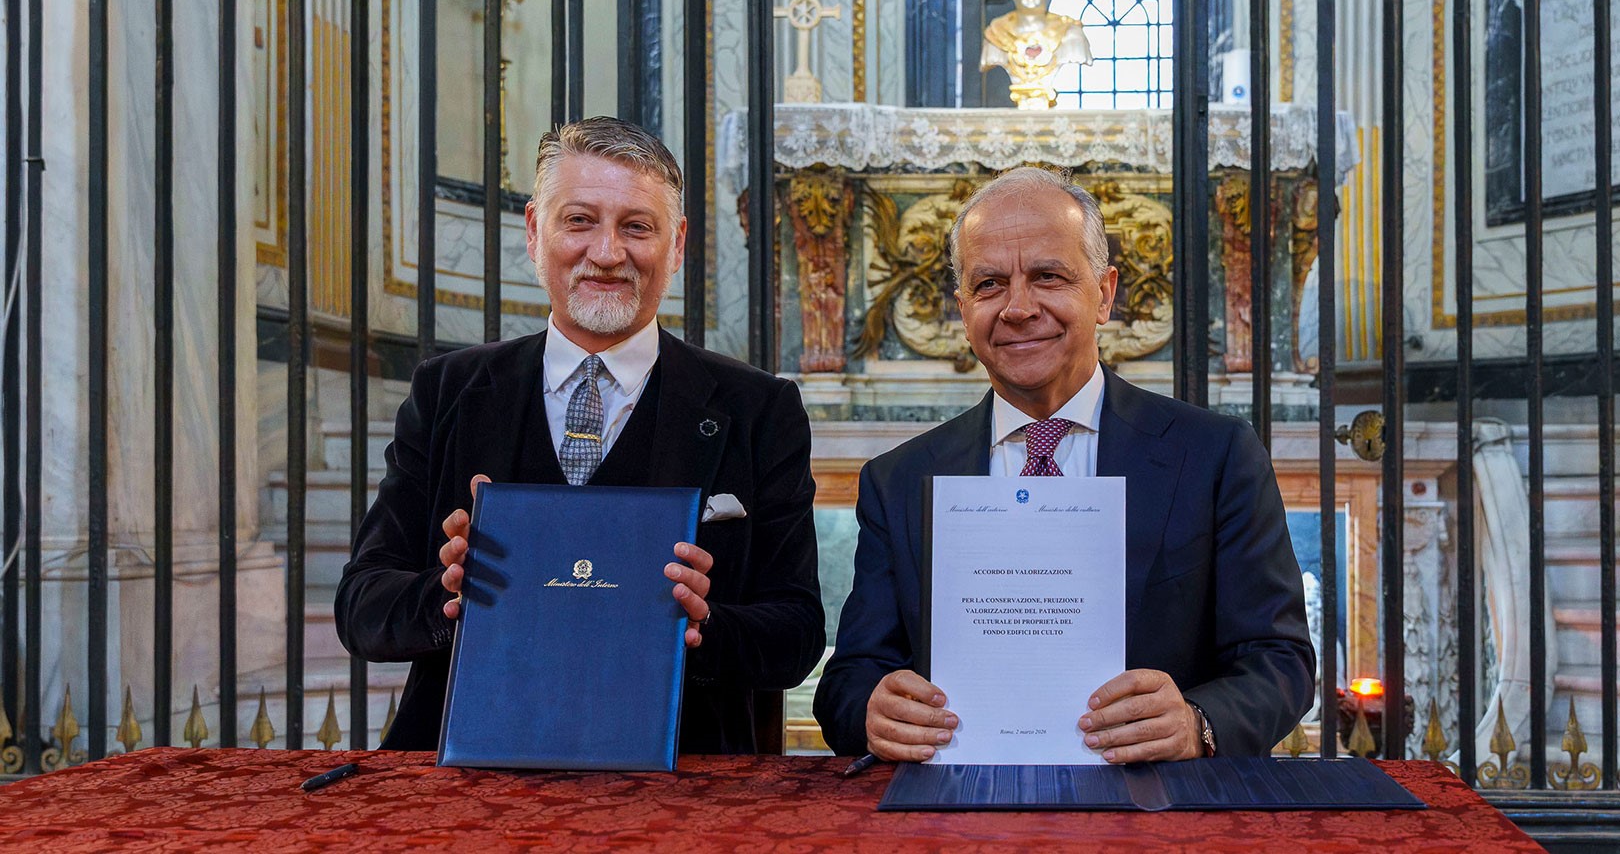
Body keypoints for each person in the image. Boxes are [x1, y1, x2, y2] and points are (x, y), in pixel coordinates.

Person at [337, 116, 824, 753]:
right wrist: (445, 595)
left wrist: (705, 626)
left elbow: (797, 633)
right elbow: (361, 607)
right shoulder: (447, 392)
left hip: (683, 771)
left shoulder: (760, 409)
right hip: (465, 773)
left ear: (676, 244)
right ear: (534, 231)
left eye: (637, 226)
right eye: (579, 221)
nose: (608, 253)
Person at [812, 167, 1313, 762]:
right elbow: (849, 682)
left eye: (1048, 277)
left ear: (1104, 293)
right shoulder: (899, 480)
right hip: (959, 806)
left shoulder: (1215, 456)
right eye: (990, 284)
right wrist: (875, 712)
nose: (1018, 308)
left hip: (1160, 803)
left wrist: (1197, 723)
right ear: (963, 310)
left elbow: (1280, 660)